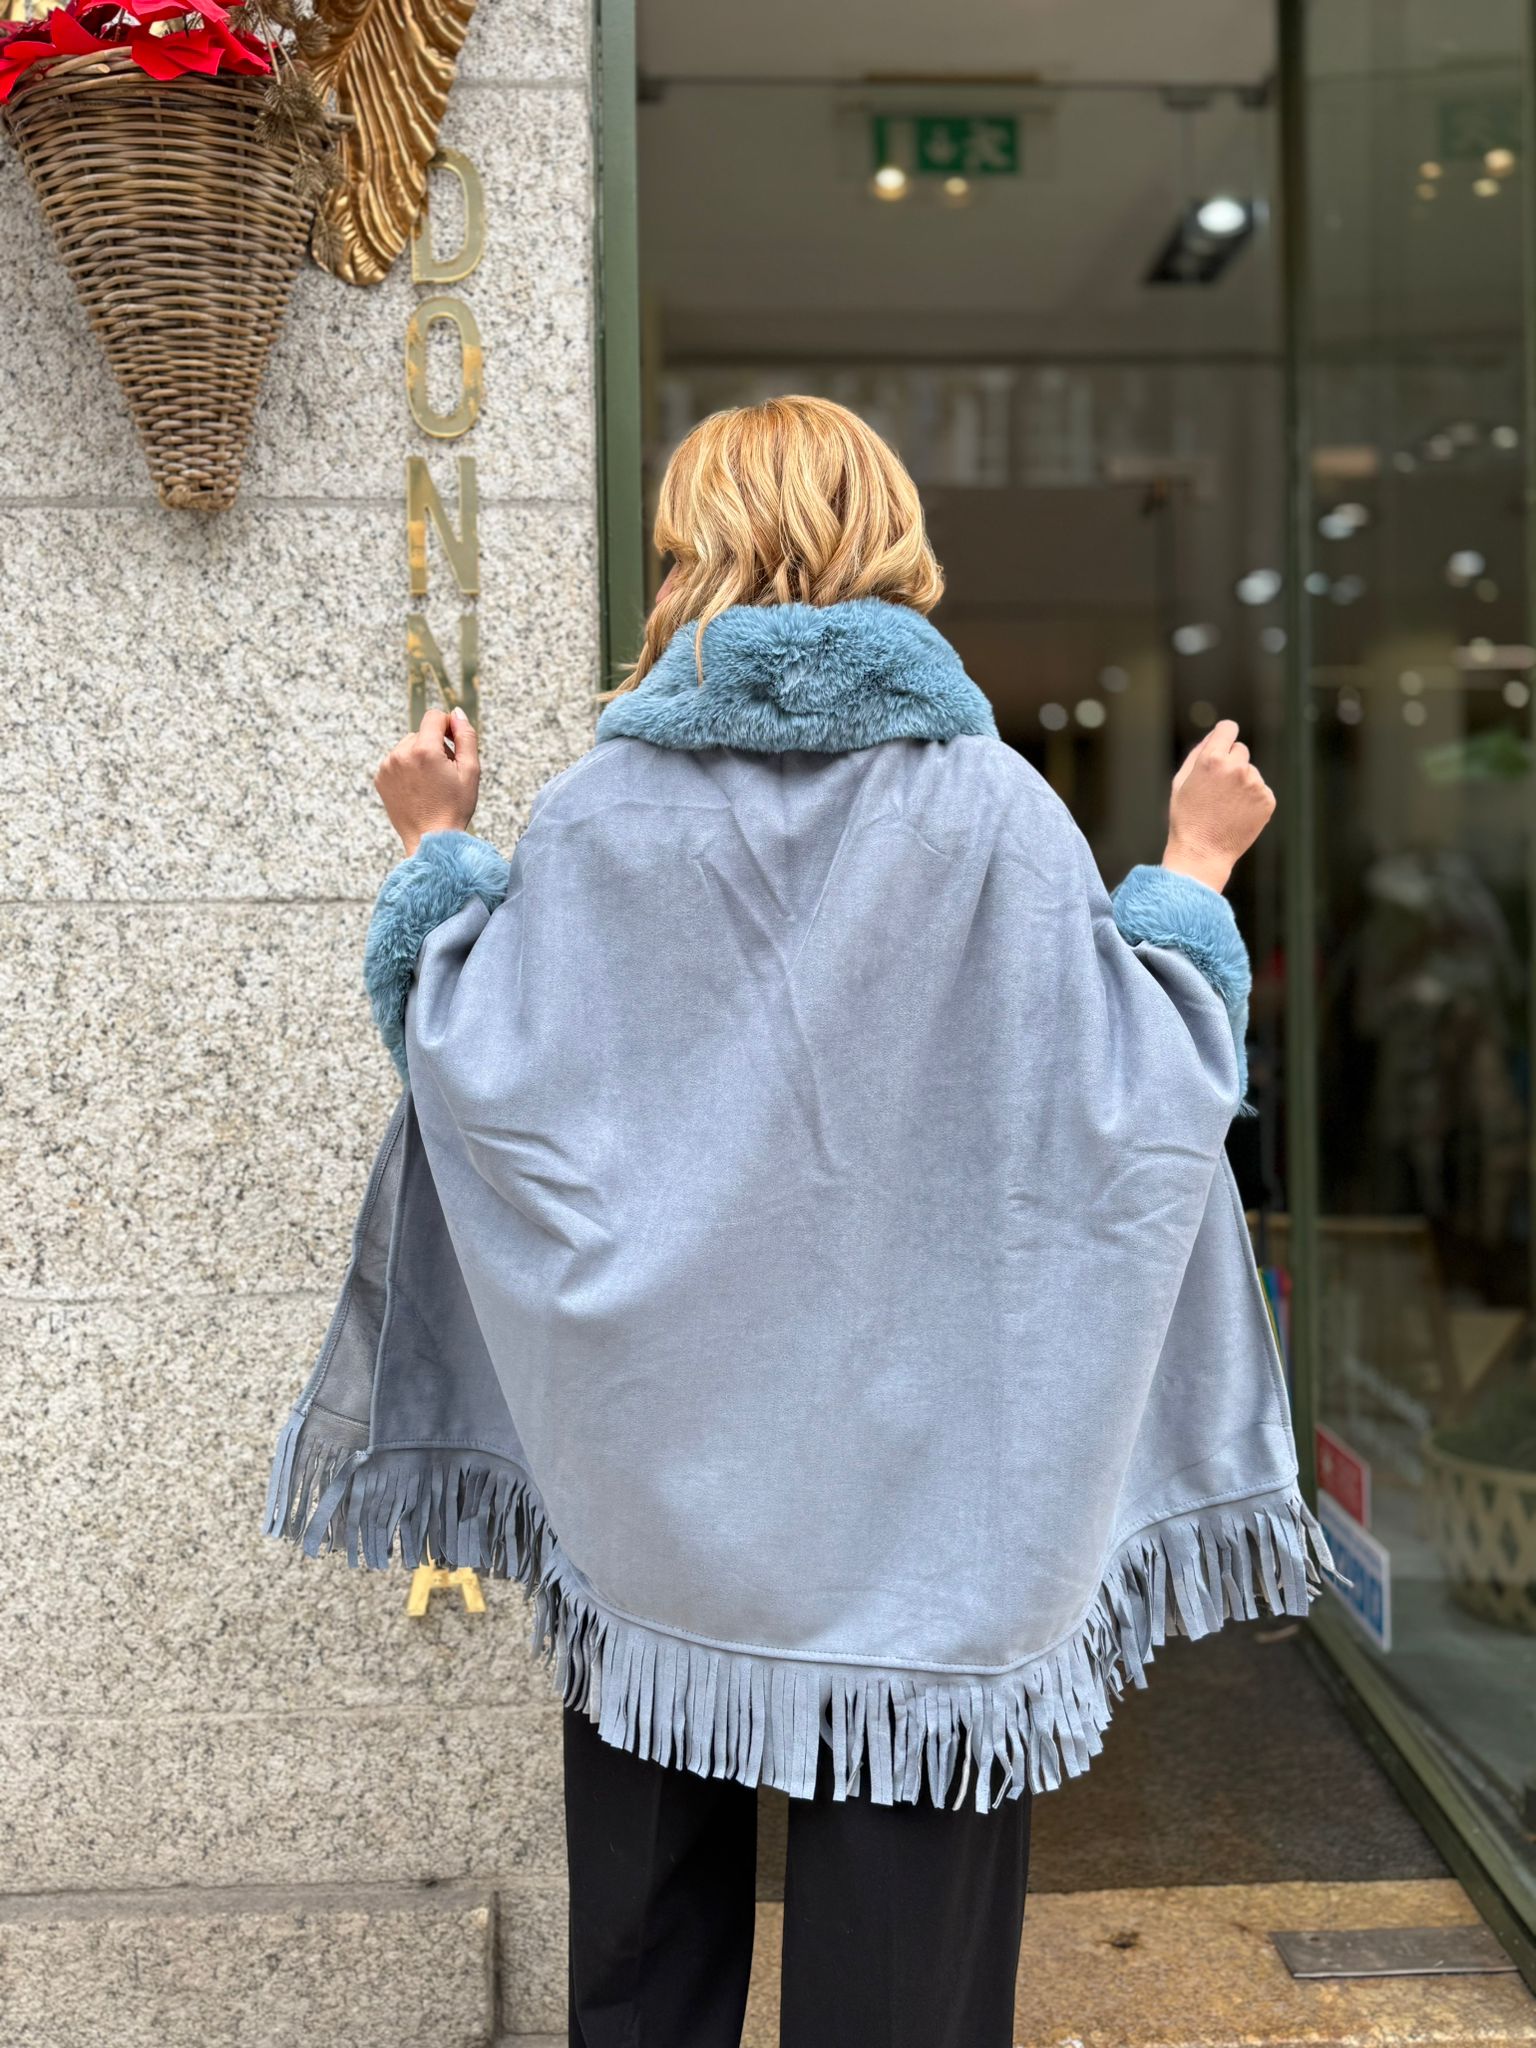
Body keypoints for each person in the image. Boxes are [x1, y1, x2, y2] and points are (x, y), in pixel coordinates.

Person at [266, 396, 1325, 2048]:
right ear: (884, 537)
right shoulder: (993, 812)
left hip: (658, 1490)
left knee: (645, 1962)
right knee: (902, 1982)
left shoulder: (604, 817)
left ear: (693, 548)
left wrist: (436, 853)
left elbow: (473, 1069)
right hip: (930, 1516)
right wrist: (1193, 870)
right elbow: (1142, 1105)